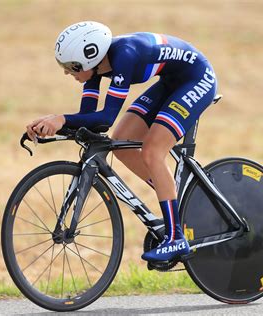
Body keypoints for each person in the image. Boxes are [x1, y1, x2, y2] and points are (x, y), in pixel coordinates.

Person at [26, 21, 217, 262]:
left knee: (152, 151)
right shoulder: (95, 68)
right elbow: (90, 120)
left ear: (90, 58)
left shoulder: (125, 55)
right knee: (122, 143)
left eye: (71, 66)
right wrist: (52, 124)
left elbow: (106, 117)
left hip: (197, 79)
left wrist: (61, 119)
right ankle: (175, 199)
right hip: (171, 83)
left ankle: (176, 238)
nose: (67, 72)